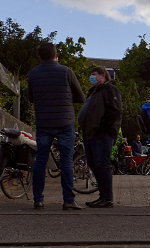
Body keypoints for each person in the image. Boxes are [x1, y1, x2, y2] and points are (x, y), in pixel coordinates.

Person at [27, 42, 86, 210]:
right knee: (66, 161)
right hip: (65, 122)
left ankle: (38, 199)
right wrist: (66, 100)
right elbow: (81, 97)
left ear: (40, 57)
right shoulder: (66, 72)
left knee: (40, 161)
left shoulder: (33, 74)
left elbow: (31, 98)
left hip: (44, 122)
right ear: (56, 55)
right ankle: (68, 200)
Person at [78, 66, 122, 208]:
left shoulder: (109, 89)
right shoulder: (95, 91)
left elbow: (115, 111)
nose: (91, 77)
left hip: (101, 134)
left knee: (102, 163)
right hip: (91, 133)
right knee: (94, 163)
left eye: (94, 74)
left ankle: (107, 197)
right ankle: (103, 196)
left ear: (103, 75)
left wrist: (104, 129)